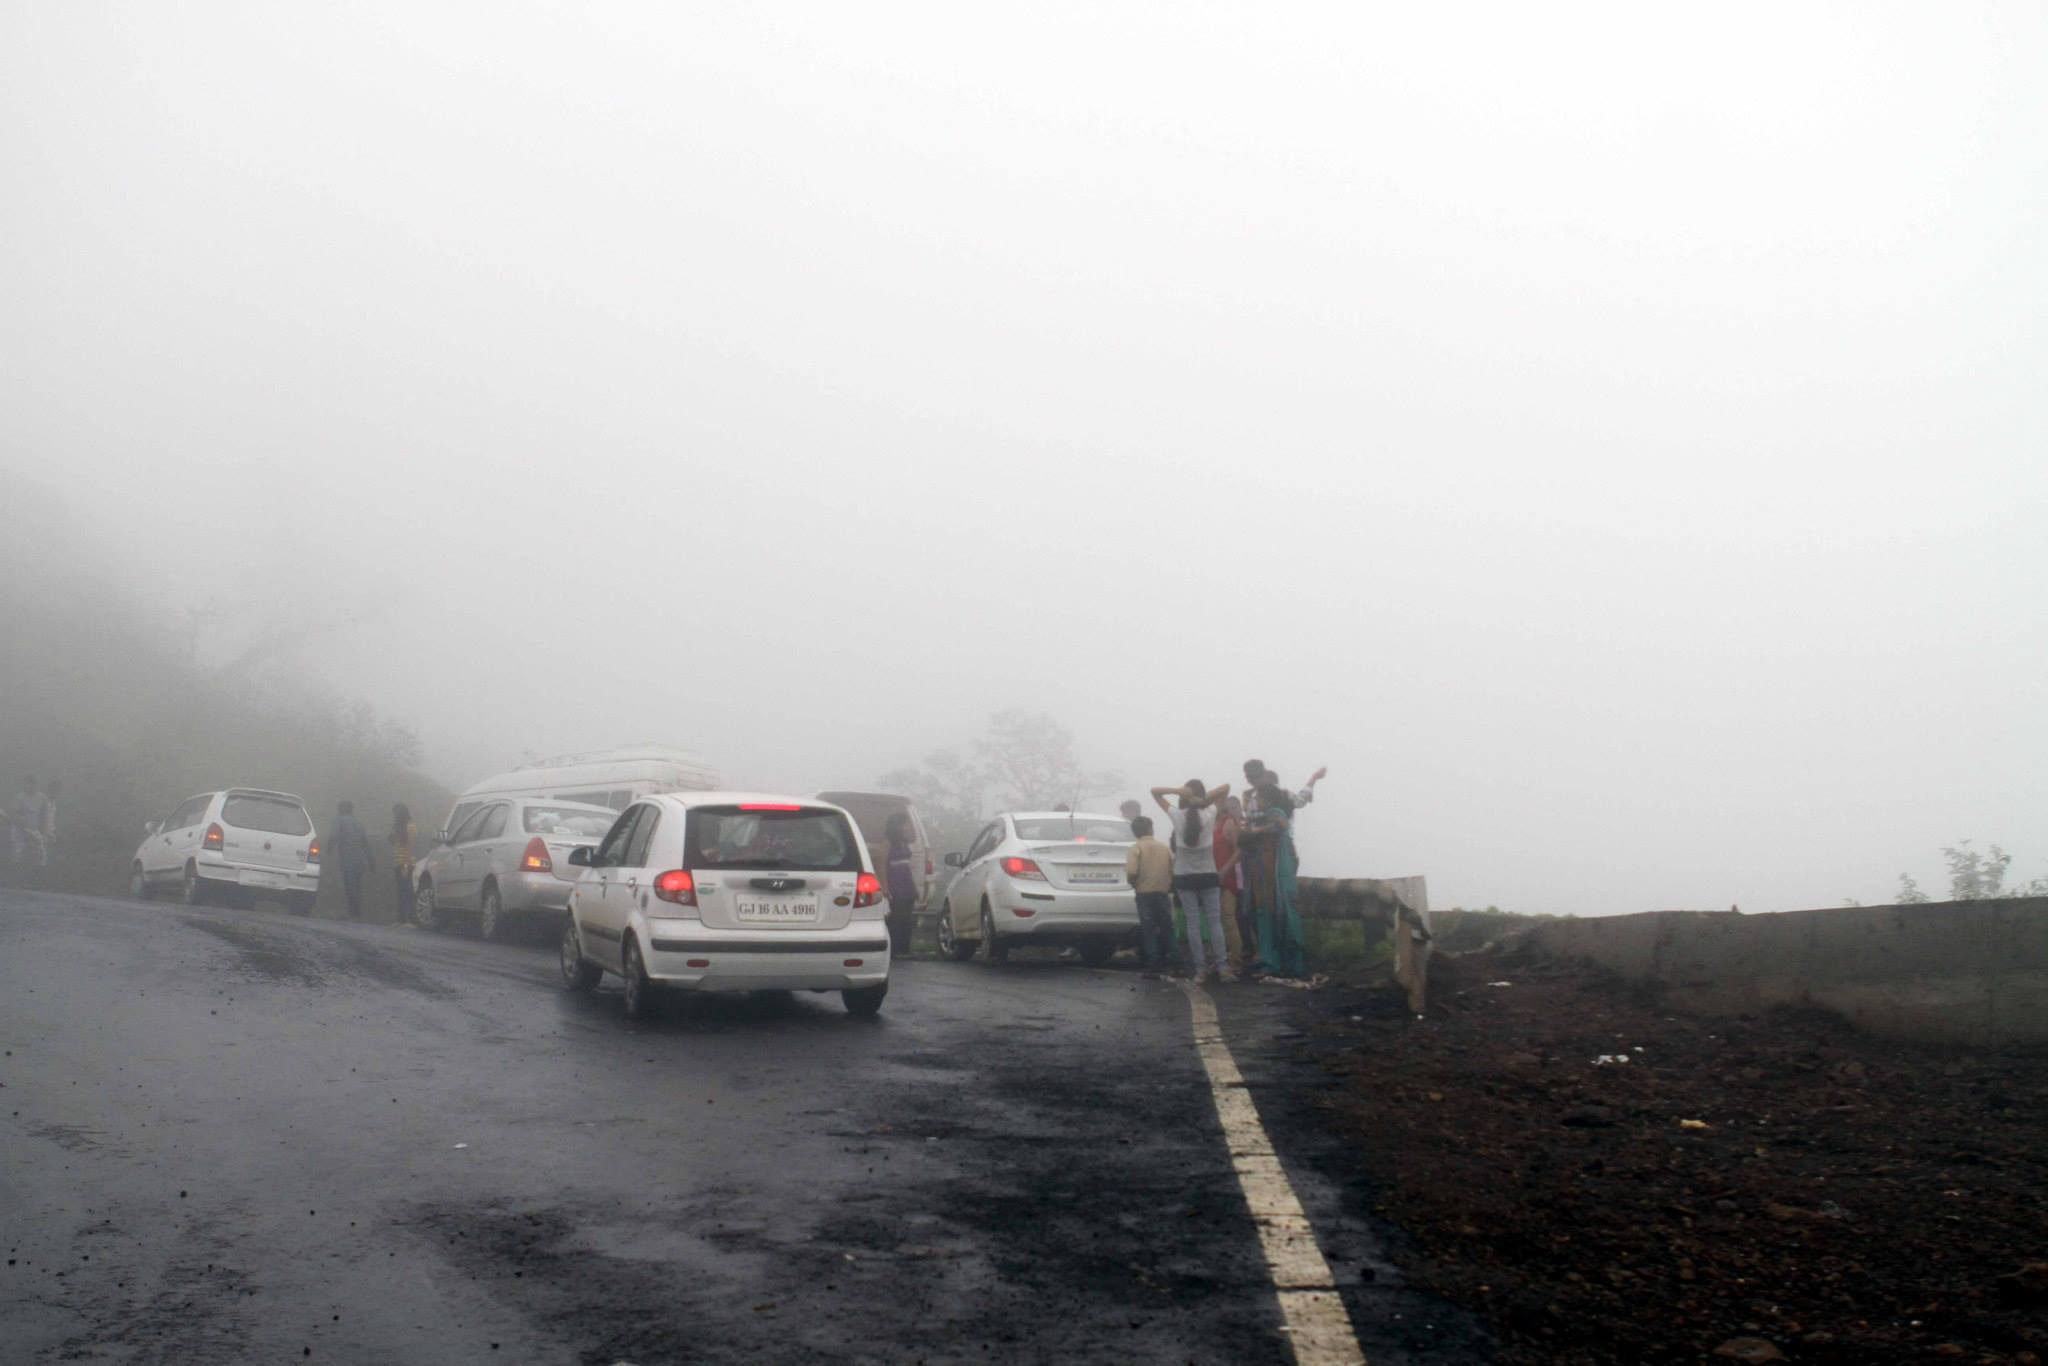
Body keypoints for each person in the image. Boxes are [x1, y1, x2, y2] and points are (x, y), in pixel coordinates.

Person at [1152, 779, 1230, 983]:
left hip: (1184, 877)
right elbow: (1225, 788)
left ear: (1182, 800)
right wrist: (1202, 800)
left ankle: (1200, 970)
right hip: (1208, 875)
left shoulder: (1176, 815)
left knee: (1193, 924)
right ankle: (1222, 967)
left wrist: (1178, 790)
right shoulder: (1210, 813)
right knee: (1215, 921)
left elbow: (1155, 792)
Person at [1244, 771, 1307, 979]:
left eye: (1260, 798)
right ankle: (1269, 960)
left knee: (1279, 915)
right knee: (1265, 914)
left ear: (1267, 799)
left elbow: (1281, 825)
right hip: (1263, 875)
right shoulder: (1262, 817)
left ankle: (1280, 962)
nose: (1257, 802)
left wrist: (1256, 832)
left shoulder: (1275, 814)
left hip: (1275, 878)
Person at [1124, 815, 1175, 978]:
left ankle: (1154, 964)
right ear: (1151, 828)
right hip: (1162, 892)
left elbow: (1131, 871)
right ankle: (1178, 963)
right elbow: (1172, 867)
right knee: (1168, 929)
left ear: (1135, 833)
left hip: (1144, 893)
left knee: (1149, 930)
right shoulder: (1163, 847)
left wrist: (1134, 883)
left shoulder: (1136, 848)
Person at [1214, 794, 1252, 978]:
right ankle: (1227, 953)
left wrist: (1225, 869)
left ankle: (1236, 957)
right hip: (1213, 876)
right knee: (1221, 918)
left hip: (1229, 875)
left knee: (1230, 916)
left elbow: (1239, 850)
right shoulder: (1211, 824)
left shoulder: (1229, 824)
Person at [882, 811, 920, 957]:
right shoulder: (887, 842)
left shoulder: (904, 842)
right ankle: (894, 949)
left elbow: (908, 864)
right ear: (896, 825)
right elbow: (882, 864)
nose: (906, 827)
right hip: (895, 881)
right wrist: (885, 887)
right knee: (896, 917)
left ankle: (905, 949)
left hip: (906, 881)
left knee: (906, 917)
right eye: (904, 824)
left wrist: (914, 887)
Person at [331, 800, 375, 920]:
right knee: (356, 886)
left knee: (350, 886)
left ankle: (354, 914)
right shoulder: (359, 823)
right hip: (360, 860)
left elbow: (334, 836)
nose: (338, 811)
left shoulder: (340, 821)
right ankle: (356, 913)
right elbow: (365, 843)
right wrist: (371, 861)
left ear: (343, 809)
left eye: (340, 808)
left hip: (347, 859)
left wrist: (329, 849)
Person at [389, 803, 417, 925]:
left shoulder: (410, 827)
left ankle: (410, 918)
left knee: (407, 892)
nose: (394, 816)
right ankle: (402, 919)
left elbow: (410, 847)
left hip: (406, 863)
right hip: (397, 863)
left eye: (395, 813)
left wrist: (406, 864)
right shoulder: (397, 827)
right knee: (401, 892)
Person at [11, 776, 43, 868]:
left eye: (32, 784)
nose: (29, 787)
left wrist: (42, 828)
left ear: (35, 785)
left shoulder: (41, 798)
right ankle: (16, 869)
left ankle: (37, 872)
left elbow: (44, 814)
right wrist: (21, 824)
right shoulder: (19, 797)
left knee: (39, 853)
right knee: (18, 851)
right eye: (27, 784)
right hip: (20, 829)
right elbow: (14, 813)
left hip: (35, 829)